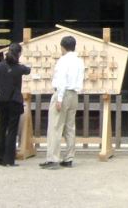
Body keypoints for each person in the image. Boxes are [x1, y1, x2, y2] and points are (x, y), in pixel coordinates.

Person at [40, 35, 85, 169]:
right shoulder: (79, 61)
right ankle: (69, 157)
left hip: (63, 93)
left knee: (55, 126)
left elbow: (61, 80)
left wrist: (59, 98)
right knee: (70, 127)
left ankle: (53, 158)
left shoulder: (63, 60)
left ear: (62, 46)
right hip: (74, 94)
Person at [0, 43, 30, 166]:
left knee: (1, 128)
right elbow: (28, 70)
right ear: (19, 54)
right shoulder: (19, 68)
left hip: (2, 100)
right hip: (14, 100)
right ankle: (9, 159)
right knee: (12, 130)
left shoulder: (0, 66)